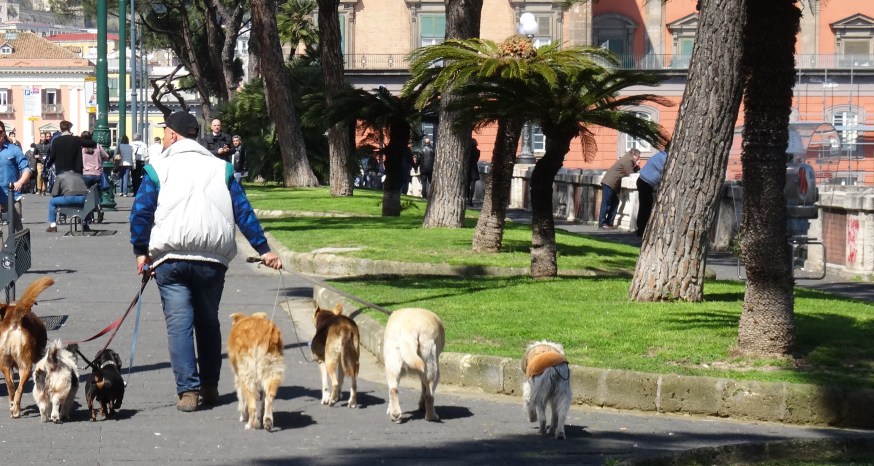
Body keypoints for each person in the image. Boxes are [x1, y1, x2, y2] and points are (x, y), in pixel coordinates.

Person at [130, 111, 282, 412]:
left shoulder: (157, 168)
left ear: (173, 134)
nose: (163, 137)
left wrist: (141, 250)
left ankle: (188, 392)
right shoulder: (221, 168)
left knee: (179, 325)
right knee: (208, 321)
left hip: (170, 258)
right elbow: (243, 211)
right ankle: (210, 386)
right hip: (213, 260)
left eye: (165, 132)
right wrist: (264, 249)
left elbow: (141, 212)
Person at [0, 121, 33, 232]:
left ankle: (19, 243)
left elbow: (26, 169)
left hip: (11, 196)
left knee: (18, 230)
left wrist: (20, 182)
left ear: (4, 133)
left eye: (0, 132)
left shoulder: (13, 149)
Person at [599, 149, 640, 229]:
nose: (638, 159)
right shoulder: (629, 160)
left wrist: (636, 166)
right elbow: (630, 173)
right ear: (634, 155)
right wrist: (636, 166)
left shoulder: (627, 158)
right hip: (610, 183)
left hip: (613, 183)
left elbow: (628, 171)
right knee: (606, 204)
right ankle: (602, 223)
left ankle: (609, 223)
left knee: (614, 203)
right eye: (638, 157)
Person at [635, 146, 668, 237]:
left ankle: (641, 229)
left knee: (644, 206)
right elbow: (665, 171)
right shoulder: (663, 158)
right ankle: (641, 230)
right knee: (645, 207)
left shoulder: (659, 155)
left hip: (643, 181)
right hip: (645, 183)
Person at [466, 138, 481, 207]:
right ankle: (470, 199)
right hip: (474, 168)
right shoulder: (478, 151)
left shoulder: (468, 151)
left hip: (468, 168)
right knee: (473, 185)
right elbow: (476, 160)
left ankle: (468, 197)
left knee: (467, 185)